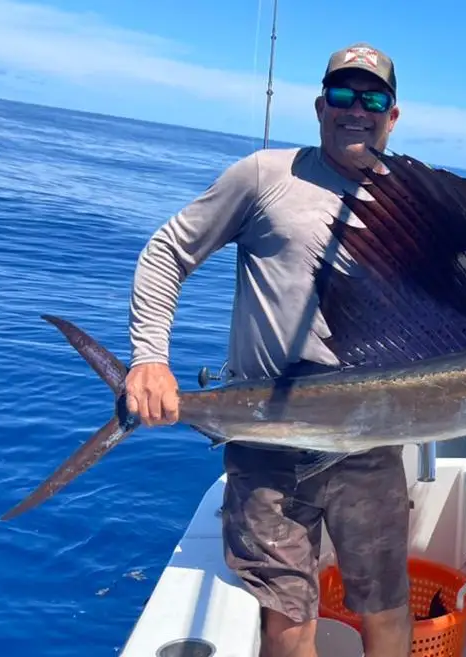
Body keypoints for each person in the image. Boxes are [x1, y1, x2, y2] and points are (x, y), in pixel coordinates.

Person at [123, 43, 413, 657]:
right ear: (318, 106)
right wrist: (150, 357)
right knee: (287, 620)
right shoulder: (262, 176)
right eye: (342, 94)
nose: (355, 108)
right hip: (265, 444)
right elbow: (166, 254)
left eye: (372, 97)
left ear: (393, 114)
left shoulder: (411, 205)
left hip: (370, 442)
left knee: (387, 606)